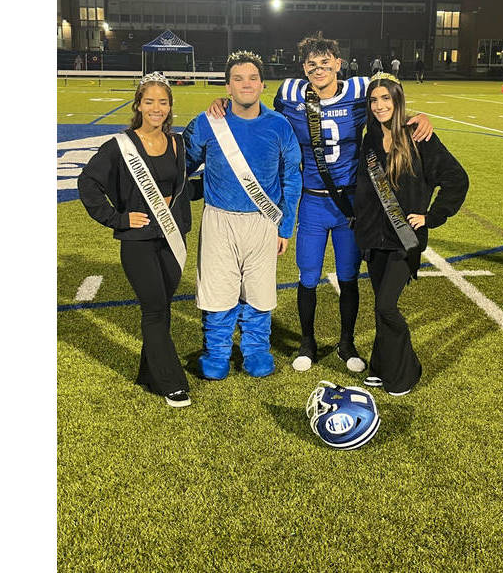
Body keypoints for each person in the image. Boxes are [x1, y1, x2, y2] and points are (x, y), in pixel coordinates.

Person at [208, 32, 433, 374]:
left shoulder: (358, 89)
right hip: (311, 203)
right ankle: (307, 343)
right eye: (312, 64)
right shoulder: (291, 93)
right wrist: (226, 103)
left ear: (338, 63)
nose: (319, 68)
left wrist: (419, 115)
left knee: (348, 276)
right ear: (303, 68)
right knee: (308, 276)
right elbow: (260, 113)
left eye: (325, 62)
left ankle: (347, 343)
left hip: (350, 204)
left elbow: (389, 103)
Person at [77, 72, 196, 408]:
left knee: (163, 309)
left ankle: (149, 373)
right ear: (138, 105)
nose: (157, 108)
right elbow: (88, 183)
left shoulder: (177, 143)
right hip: (138, 242)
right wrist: (118, 218)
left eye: (163, 102)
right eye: (150, 102)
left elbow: (182, 188)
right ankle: (172, 383)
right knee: (154, 309)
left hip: (172, 239)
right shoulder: (120, 146)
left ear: (170, 106)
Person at [183, 51, 302, 380]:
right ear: (228, 87)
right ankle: (217, 352)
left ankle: (256, 350)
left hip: (263, 221)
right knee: (219, 290)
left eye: (252, 78)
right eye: (238, 79)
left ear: (263, 85)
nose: (246, 84)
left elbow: (292, 178)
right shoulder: (208, 122)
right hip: (219, 219)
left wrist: (285, 228)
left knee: (259, 292)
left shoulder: (280, 125)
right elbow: (181, 164)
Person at [354, 73, 468, 396]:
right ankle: (380, 366)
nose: (379, 106)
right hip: (374, 239)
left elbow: (457, 179)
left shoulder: (419, 136)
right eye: (373, 100)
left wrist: (432, 217)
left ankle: (406, 372)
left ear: (397, 100)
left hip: (404, 240)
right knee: (380, 306)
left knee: (386, 306)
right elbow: (365, 189)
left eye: (386, 99)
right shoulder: (370, 139)